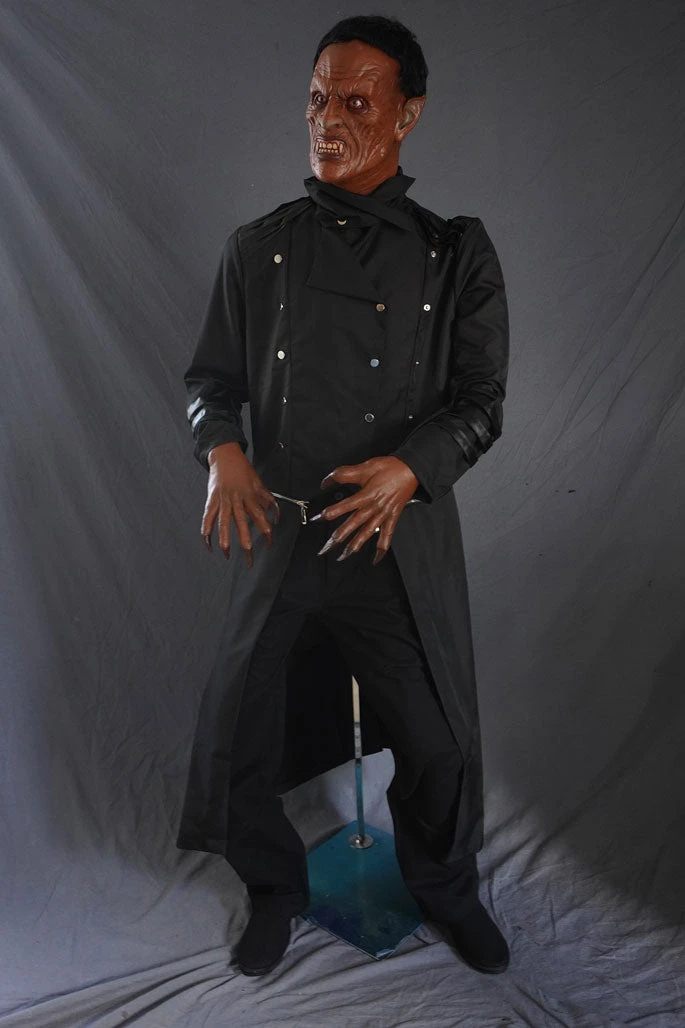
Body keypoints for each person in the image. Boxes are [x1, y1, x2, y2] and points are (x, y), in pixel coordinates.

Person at [176, 15, 510, 977]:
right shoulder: (258, 248)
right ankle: (275, 892)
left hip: (391, 542)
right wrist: (221, 452)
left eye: (357, 102)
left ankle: (446, 889)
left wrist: (409, 468)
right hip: (284, 536)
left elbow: (480, 402)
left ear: (408, 114)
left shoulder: (454, 254)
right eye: (319, 98)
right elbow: (209, 382)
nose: (329, 119)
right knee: (240, 732)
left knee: (437, 744)